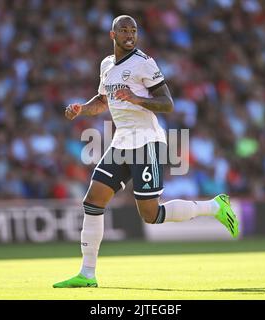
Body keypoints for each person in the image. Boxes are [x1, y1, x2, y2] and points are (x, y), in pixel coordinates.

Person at [53, 15, 239, 288]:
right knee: (92, 201)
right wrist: (81, 109)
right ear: (112, 35)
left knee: (150, 215)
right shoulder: (107, 65)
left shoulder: (144, 63)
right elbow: (102, 101)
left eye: (133, 30)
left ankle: (214, 206)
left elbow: (167, 103)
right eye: (123, 30)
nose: (129, 34)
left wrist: (136, 98)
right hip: (121, 143)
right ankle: (87, 273)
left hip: (146, 142)